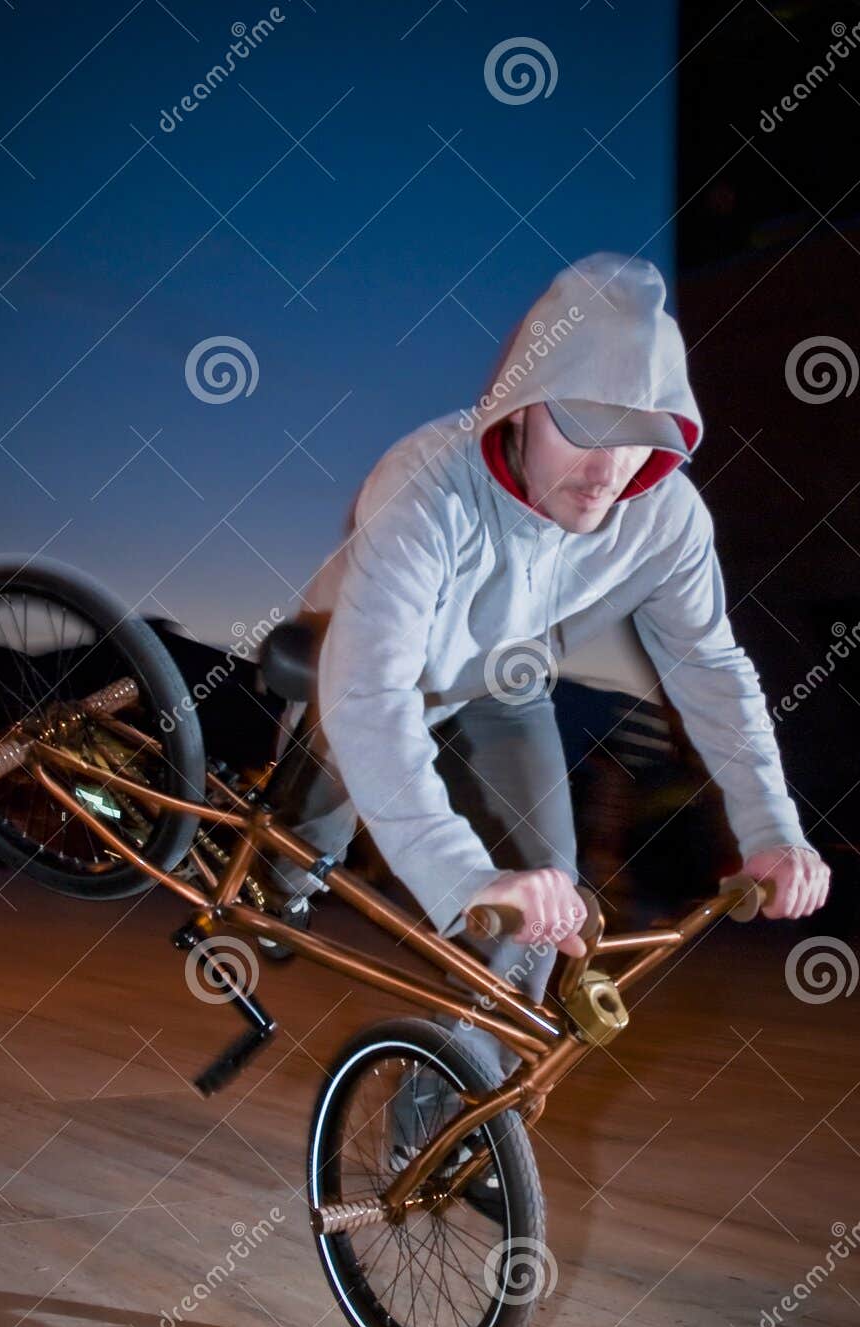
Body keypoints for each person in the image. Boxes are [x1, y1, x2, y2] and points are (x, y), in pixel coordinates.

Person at [269, 251, 830, 1079]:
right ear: (520, 407)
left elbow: (710, 668)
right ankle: (284, 872)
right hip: (363, 667)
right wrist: (460, 875)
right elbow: (370, 691)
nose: (606, 472)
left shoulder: (666, 519)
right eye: (582, 428)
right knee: (300, 847)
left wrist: (772, 832)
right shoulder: (426, 482)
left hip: (503, 688)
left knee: (545, 905)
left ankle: (447, 1120)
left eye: (635, 439)